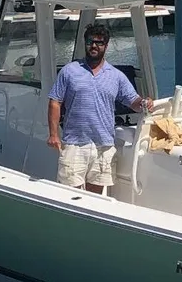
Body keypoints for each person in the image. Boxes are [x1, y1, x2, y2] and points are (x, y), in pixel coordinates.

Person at [47, 24, 154, 194]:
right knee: (69, 195)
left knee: (95, 198)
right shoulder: (69, 71)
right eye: (91, 42)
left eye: (100, 42)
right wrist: (53, 135)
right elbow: (55, 102)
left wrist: (144, 103)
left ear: (106, 45)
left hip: (104, 146)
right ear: (85, 43)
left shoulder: (116, 76)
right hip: (75, 144)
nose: (94, 46)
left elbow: (133, 101)